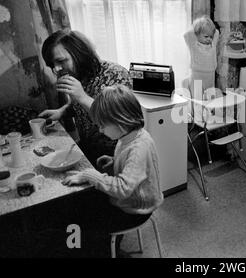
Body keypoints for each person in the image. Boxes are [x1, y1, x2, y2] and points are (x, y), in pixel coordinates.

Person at [62, 84, 164, 256]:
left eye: (102, 125)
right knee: (84, 201)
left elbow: (123, 188)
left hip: (135, 209)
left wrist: (91, 175)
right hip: (133, 198)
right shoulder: (130, 136)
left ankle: (105, 251)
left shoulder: (138, 148)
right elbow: (133, 169)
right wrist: (115, 161)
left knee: (86, 216)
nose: (100, 130)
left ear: (121, 122)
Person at [38, 29, 132, 165]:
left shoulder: (115, 74)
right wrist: (62, 112)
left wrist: (82, 96)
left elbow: (118, 120)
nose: (57, 69)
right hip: (88, 148)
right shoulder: (78, 74)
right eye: (53, 65)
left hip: (115, 155)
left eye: (61, 61)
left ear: (79, 53)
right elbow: (78, 106)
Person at [184, 15, 220, 98]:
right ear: (196, 35)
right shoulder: (193, 44)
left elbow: (216, 32)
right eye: (206, 36)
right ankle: (197, 111)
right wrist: (198, 28)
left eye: (211, 37)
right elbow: (187, 34)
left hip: (210, 77)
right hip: (197, 76)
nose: (209, 39)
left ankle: (208, 111)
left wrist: (209, 31)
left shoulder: (213, 44)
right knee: (197, 99)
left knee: (210, 99)